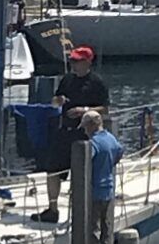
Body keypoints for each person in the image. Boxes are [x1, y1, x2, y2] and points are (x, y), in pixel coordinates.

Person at [39, 42, 109, 222]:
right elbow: (55, 100)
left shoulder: (97, 82)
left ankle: (80, 211)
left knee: (81, 174)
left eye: (77, 61)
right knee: (53, 170)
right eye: (72, 61)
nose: (73, 65)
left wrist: (83, 110)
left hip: (85, 134)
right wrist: (59, 100)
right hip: (64, 131)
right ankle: (52, 209)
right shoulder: (67, 79)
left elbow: (105, 109)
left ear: (87, 62)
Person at [82, 108, 125, 244]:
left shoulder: (92, 144)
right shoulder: (111, 138)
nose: (84, 130)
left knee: (94, 233)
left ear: (91, 125)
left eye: (85, 126)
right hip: (108, 190)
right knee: (107, 231)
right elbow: (119, 151)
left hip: (94, 192)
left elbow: (85, 162)